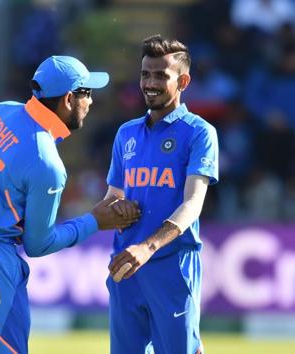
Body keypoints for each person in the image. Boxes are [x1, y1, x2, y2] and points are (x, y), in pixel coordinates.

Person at [0, 55, 141, 354]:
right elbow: (38, 244)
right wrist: (95, 221)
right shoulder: (47, 162)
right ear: (69, 99)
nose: (91, 102)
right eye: (87, 93)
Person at [105, 35, 219, 354]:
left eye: (160, 75)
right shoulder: (126, 133)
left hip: (172, 265)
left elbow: (193, 203)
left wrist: (148, 246)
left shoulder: (199, 133)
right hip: (125, 267)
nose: (150, 83)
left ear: (182, 81)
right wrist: (108, 212)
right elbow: (111, 198)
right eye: (145, 74)